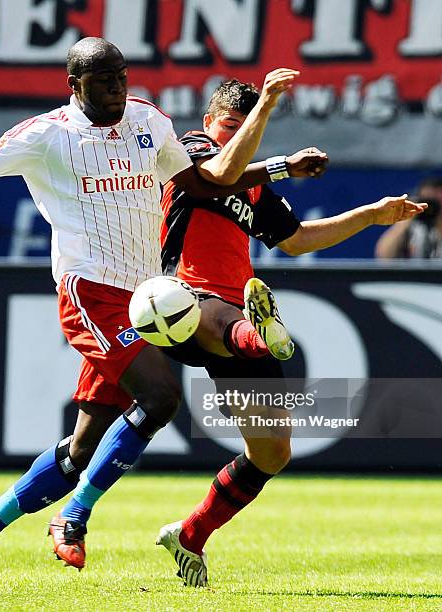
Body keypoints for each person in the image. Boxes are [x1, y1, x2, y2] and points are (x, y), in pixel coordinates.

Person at [0, 38, 304, 586]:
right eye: (104, 79)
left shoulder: (148, 121)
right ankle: (75, 516)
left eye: (121, 75)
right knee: (159, 396)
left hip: (146, 296)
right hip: (91, 292)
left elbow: (204, 182)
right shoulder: (46, 136)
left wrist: (279, 169)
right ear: (75, 86)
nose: (118, 86)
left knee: (79, 449)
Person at [41, 82, 426, 585]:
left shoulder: (255, 188)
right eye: (229, 127)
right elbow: (219, 172)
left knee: (272, 451)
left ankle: (190, 535)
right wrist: (267, 107)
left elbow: (298, 240)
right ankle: (260, 335)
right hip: (171, 299)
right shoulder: (191, 154)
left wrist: (372, 216)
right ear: (208, 122)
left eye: (244, 131)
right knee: (213, 317)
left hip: (226, 313)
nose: (233, 139)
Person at [375, 176, 440, 258]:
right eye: (426, 202)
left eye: (435, 202)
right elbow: (384, 256)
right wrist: (407, 216)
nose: (430, 207)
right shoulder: (412, 229)